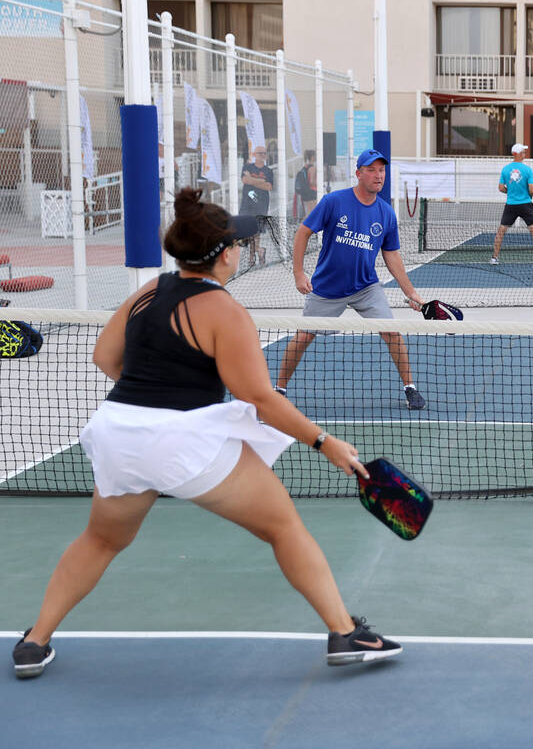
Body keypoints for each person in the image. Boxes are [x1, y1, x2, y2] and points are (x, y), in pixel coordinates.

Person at [12, 189, 403, 679]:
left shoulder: (147, 292)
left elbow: (105, 359)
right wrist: (324, 442)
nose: (241, 249)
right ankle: (344, 633)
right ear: (222, 256)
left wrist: (157, 394)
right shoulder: (226, 312)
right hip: (183, 443)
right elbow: (260, 399)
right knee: (283, 527)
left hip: (119, 436)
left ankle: (34, 641)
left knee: (100, 540)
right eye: (237, 243)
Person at [273, 149, 427, 411]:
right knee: (303, 337)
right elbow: (303, 232)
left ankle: (410, 388)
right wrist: (298, 272)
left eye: (381, 170)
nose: (378, 175)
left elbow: (392, 256)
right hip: (327, 288)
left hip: (366, 287)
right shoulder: (334, 202)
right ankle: (278, 391)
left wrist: (411, 293)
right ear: (358, 174)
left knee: (392, 333)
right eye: (371, 170)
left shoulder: (386, 213)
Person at [491, 142, 533, 265]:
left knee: (501, 230)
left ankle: (494, 258)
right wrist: (528, 196)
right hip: (526, 204)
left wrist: (510, 192)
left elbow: (501, 188)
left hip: (510, 205)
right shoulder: (527, 170)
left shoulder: (505, 169)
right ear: (516, 154)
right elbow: (532, 189)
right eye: (522, 152)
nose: (524, 153)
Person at [240, 145, 275, 265]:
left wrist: (252, 180)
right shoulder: (247, 167)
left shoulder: (268, 171)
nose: (263, 156)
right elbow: (245, 181)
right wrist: (260, 181)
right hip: (247, 204)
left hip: (261, 205)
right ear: (254, 154)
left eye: (264, 153)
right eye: (260, 153)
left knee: (256, 231)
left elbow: (269, 186)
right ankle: (259, 250)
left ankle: (251, 257)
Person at [295, 148, 319, 219]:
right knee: (311, 214)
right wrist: (319, 184)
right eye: (315, 156)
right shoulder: (312, 168)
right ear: (312, 157)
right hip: (311, 192)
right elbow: (311, 182)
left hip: (305, 193)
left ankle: (302, 228)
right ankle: (301, 228)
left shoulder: (305, 167)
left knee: (309, 213)